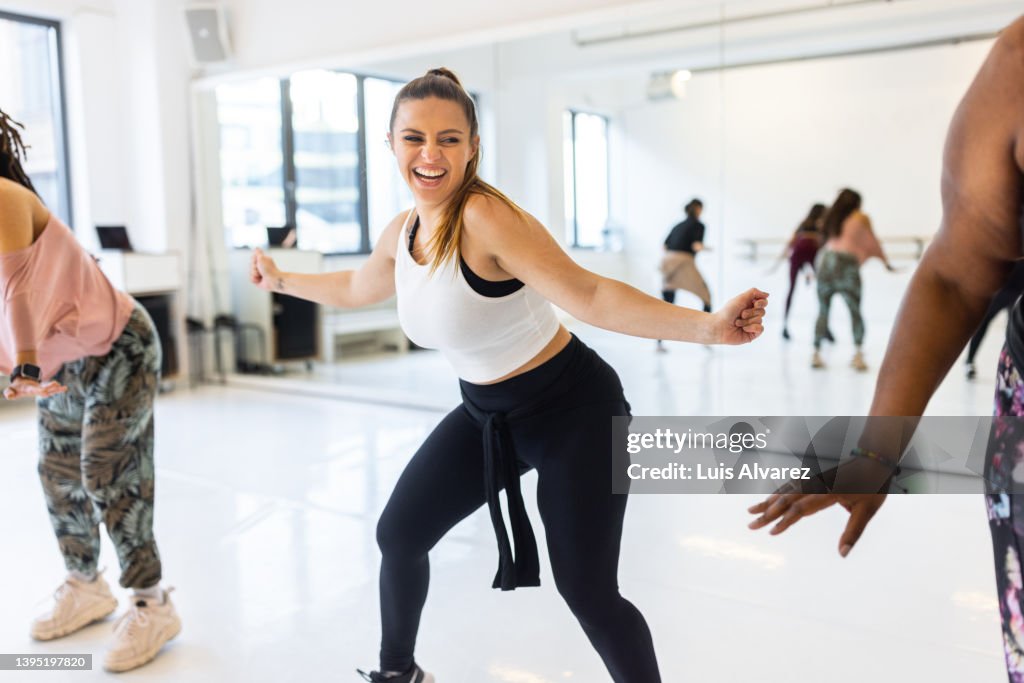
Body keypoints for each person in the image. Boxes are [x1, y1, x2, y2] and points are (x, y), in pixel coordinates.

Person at [250, 68, 768, 683]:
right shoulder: (404, 231)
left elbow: (592, 294)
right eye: (414, 138)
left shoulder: (485, 219)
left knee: (587, 591)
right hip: (486, 415)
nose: (431, 154)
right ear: (390, 144)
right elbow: (357, 285)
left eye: (449, 138)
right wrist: (279, 280)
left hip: (576, 413)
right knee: (400, 534)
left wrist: (707, 327)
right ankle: (399, 674)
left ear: (473, 146)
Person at [747, 16, 1024, 682]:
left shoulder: (841, 219)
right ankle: (816, 345)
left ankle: (816, 344)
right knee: (832, 323)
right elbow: (960, 269)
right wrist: (875, 450)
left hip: (832, 277)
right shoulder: (1018, 64)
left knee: (829, 322)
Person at [0, 110, 180, 671]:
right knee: (57, 474)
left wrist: (25, 365)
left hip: (116, 344)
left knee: (107, 471)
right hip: (62, 357)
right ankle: (85, 585)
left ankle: (153, 603)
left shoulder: (2, 196)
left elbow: (16, 292)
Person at [811, 188, 896, 371]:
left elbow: (823, 244)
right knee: (855, 310)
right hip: (847, 265)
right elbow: (873, 242)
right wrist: (886, 262)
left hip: (826, 263)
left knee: (823, 310)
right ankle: (858, 354)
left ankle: (816, 353)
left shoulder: (831, 218)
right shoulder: (861, 218)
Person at [657, 198, 711, 352]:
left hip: (668, 262)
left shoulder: (677, 225)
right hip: (684, 262)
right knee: (706, 296)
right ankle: (706, 337)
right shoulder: (699, 225)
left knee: (666, 304)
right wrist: (705, 249)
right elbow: (696, 245)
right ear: (699, 209)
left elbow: (664, 245)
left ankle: (659, 344)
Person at [966, 261, 1024, 379]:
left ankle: (1013, 367)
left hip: (1018, 292)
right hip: (1003, 289)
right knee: (984, 322)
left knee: (1013, 332)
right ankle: (969, 360)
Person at [780, 203, 826, 341]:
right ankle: (826, 329)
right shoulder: (820, 226)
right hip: (809, 256)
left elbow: (792, 243)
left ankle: (784, 325)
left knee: (792, 290)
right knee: (823, 292)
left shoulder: (803, 224)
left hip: (798, 256)